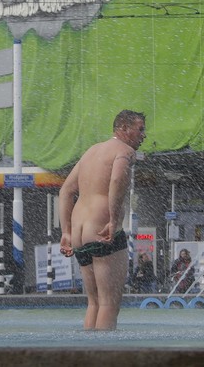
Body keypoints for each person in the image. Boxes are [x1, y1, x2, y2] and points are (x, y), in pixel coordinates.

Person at [59, 109, 146, 330]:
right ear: (124, 128)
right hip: (102, 230)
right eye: (140, 129)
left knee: (94, 303)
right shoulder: (124, 151)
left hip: (79, 233)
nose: (143, 135)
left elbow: (66, 190)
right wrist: (114, 219)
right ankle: (105, 350)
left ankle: (88, 348)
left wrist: (66, 231)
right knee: (109, 304)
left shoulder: (91, 152)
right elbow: (116, 180)